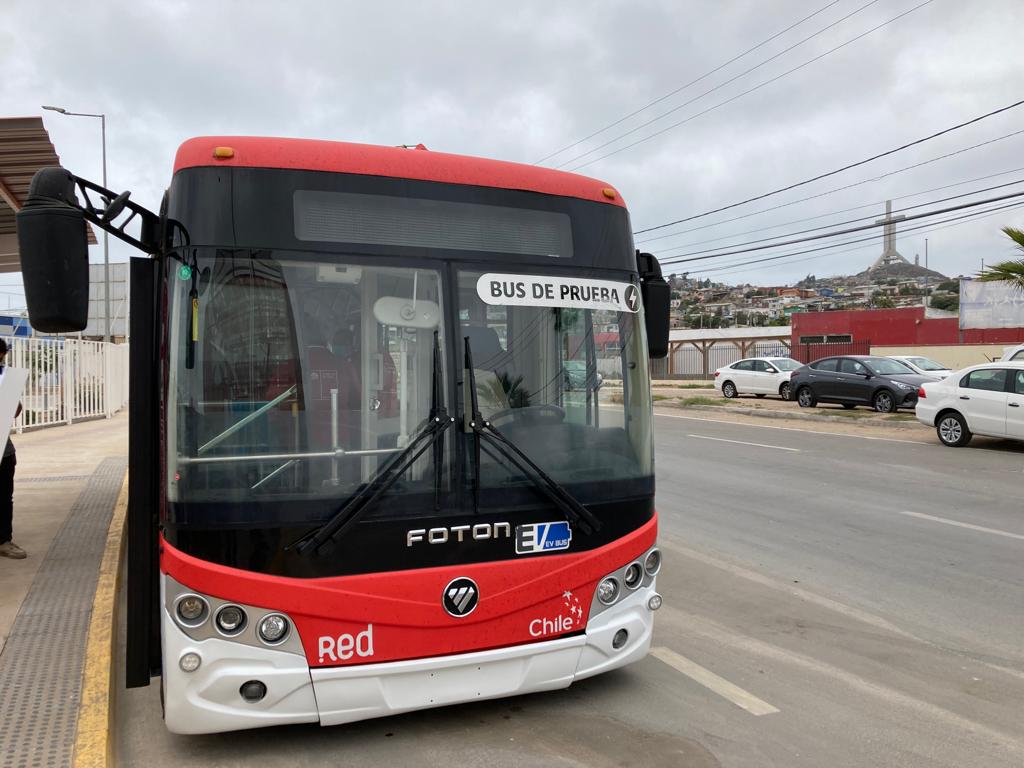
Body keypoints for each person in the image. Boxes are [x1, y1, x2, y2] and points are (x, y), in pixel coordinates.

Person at [0, 338, 25, 559]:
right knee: (4, 497)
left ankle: (3, 540)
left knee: (4, 496)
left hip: (4, 449)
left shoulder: (6, 378)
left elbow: (14, 411)